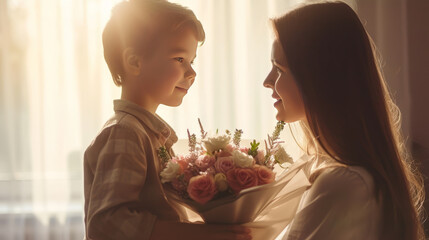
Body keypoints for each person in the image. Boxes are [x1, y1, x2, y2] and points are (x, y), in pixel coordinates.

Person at [83, 0, 251, 239]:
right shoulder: (124, 132)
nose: (192, 73)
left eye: (193, 61)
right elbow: (108, 224)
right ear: (134, 62)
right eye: (180, 59)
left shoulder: (147, 133)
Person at [263, 2, 424, 240]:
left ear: (319, 78)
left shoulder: (344, 184)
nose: (267, 81)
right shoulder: (346, 177)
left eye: (279, 69)